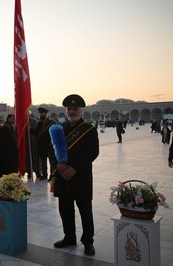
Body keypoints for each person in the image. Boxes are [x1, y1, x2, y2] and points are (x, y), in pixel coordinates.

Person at [52, 94, 99, 256]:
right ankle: (69, 237)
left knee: (85, 211)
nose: (72, 111)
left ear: (81, 110)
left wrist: (75, 169)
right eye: (69, 109)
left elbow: (93, 152)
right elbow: (52, 150)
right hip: (63, 177)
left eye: (75, 109)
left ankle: (88, 241)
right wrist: (57, 165)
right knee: (65, 210)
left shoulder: (88, 130)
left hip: (81, 178)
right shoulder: (59, 129)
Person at [36, 107, 56, 180]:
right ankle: (44, 175)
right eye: (40, 113)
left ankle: (52, 175)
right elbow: (36, 133)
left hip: (50, 145)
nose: (41, 114)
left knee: (52, 163)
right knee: (43, 162)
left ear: (46, 113)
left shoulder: (51, 123)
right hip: (42, 146)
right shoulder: (39, 123)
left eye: (43, 113)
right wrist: (30, 129)